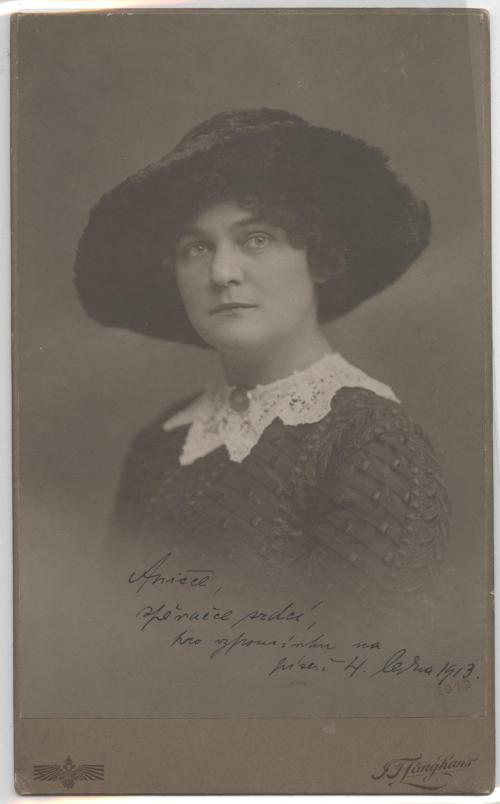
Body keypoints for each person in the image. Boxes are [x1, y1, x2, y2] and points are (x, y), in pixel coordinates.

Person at [74, 108, 449, 618]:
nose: (222, 273)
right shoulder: (159, 445)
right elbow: (110, 633)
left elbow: (366, 657)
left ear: (319, 256)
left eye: (257, 239)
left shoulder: (370, 442)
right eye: (196, 248)